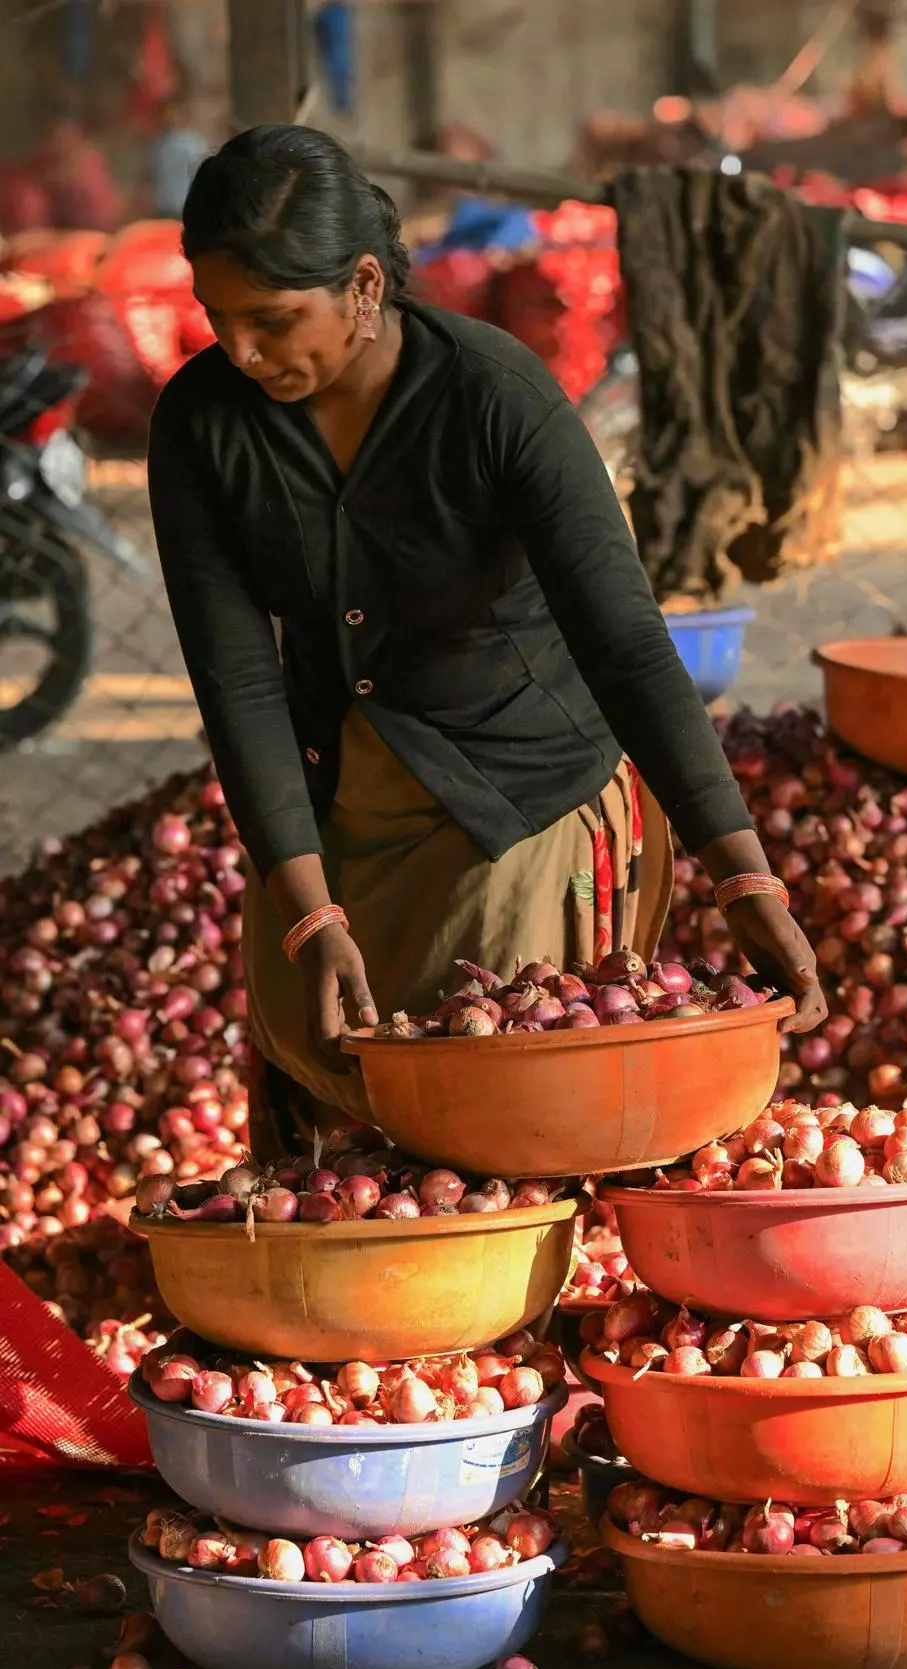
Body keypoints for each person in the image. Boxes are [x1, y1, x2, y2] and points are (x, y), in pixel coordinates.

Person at [147, 125, 826, 1152]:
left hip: (522, 802)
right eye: (220, 319)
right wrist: (310, 914)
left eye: (274, 321)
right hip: (342, 814)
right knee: (341, 1152)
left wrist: (743, 876)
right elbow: (238, 679)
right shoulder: (204, 424)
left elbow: (626, 644)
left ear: (365, 286)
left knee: (498, 1126)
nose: (241, 352)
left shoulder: (493, 395)